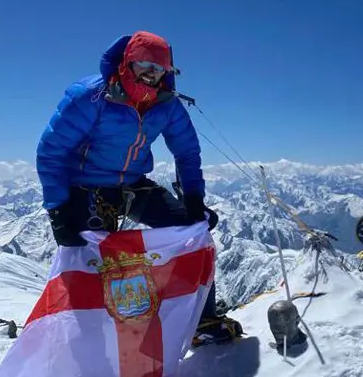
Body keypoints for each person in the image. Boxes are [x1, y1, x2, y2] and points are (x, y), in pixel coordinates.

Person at [35, 30, 241, 347]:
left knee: (193, 231)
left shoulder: (166, 105)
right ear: (127, 62)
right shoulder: (90, 96)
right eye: (144, 64)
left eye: (158, 69)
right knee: (88, 257)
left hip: (133, 185)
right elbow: (51, 153)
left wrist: (194, 201)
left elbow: (187, 153)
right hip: (86, 186)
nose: (150, 74)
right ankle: (84, 335)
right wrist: (59, 211)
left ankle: (203, 320)